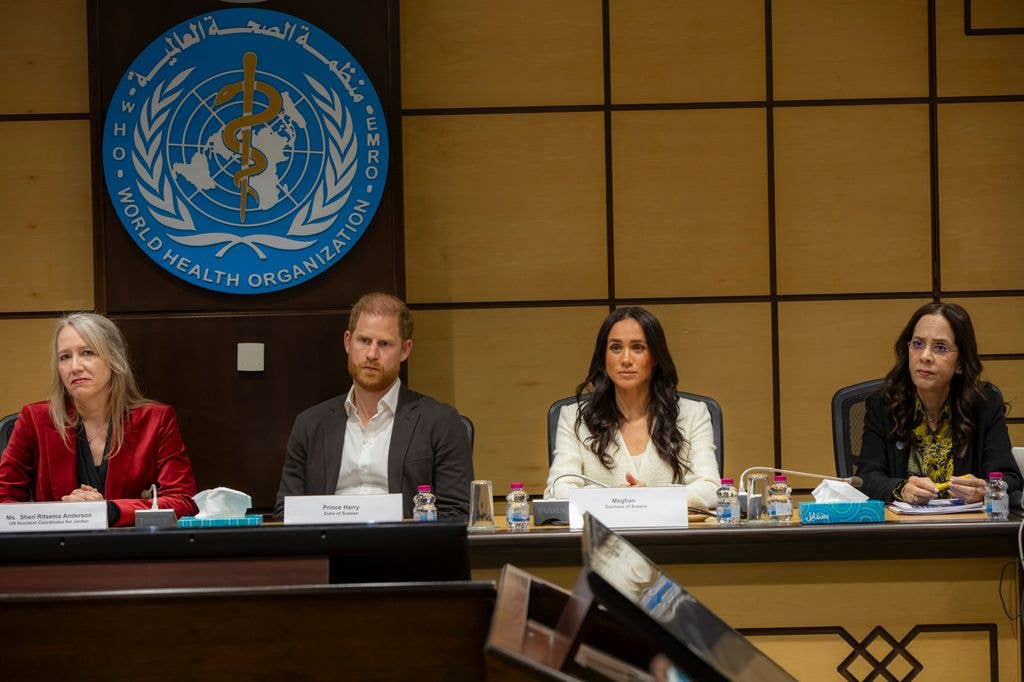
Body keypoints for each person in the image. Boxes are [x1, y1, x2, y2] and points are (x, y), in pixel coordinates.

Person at [275, 292, 473, 519]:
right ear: (348, 342)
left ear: (405, 350)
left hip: (404, 540)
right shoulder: (309, 424)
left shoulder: (440, 422)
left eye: (385, 344)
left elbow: (456, 513)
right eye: (364, 341)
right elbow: (286, 512)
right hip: (328, 540)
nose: (372, 354)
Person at [0, 313, 198, 526]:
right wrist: (61, 515)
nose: (75, 367)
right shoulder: (35, 420)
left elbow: (183, 501)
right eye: (64, 357)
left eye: (87, 353)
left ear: (113, 359)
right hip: (56, 545)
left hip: (129, 545)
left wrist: (109, 510)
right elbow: (4, 497)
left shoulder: (156, 421)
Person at [544, 307, 721, 508]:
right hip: (602, 529)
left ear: (655, 356)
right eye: (615, 348)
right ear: (603, 357)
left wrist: (650, 497)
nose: (626, 360)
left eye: (638, 347)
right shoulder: (574, 417)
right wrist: (617, 499)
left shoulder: (694, 414)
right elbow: (558, 489)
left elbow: (710, 489)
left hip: (667, 529)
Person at [857, 302, 1020, 504]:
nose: (925, 356)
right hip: (902, 523)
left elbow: (1010, 478)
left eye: (940, 348)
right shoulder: (883, 404)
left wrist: (986, 489)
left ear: (960, 363)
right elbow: (866, 478)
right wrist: (901, 489)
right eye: (917, 344)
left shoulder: (983, 404)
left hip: (967, 523)